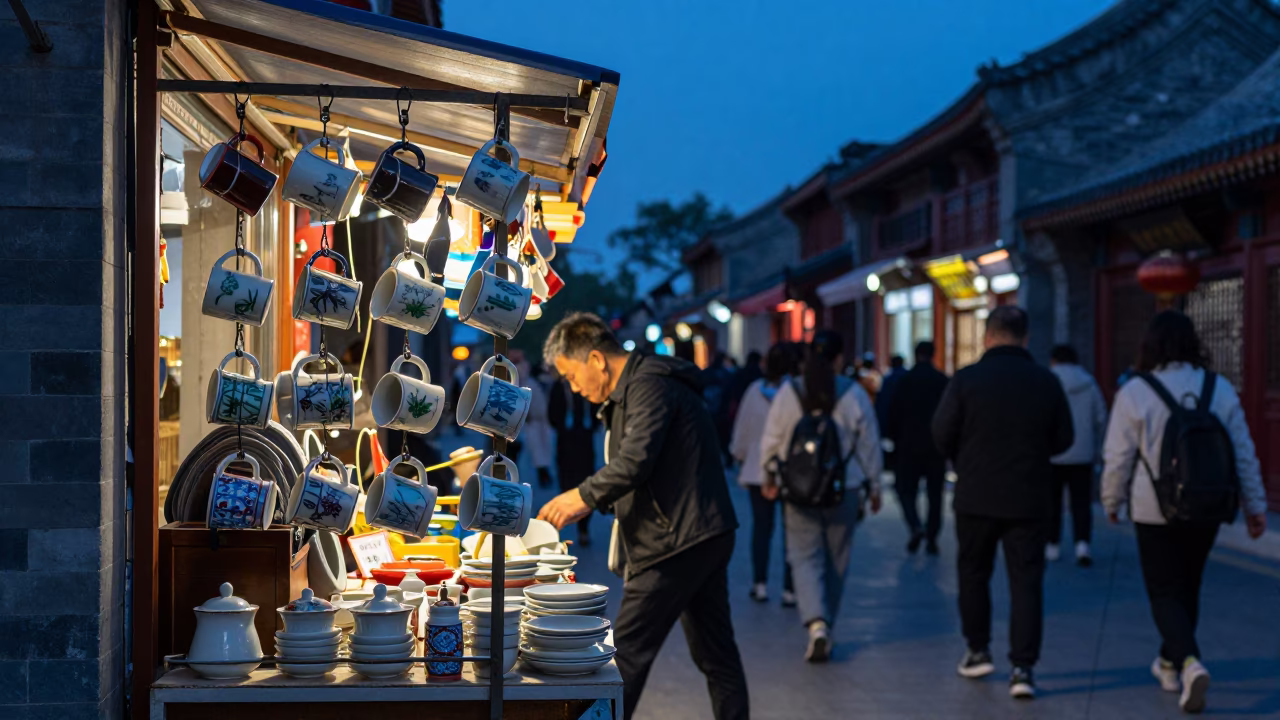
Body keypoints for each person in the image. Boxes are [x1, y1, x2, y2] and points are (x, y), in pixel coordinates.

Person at [536, 313, 748, 720]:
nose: (574, 388)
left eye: (571, 376)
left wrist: (580, 498)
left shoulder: (650, 385)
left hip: (675, 541)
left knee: (625, 659)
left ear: (596, 359)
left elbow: (635, 462)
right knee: (716, 656)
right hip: (697, 534)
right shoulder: (629, 391)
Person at [1100, 310, 1268, 714]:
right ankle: (1170, 663)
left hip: (1153, 508)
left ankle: (1189, 662)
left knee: (1162, 589)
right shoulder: (1220, 389)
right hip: (1208, 504)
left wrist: (1111, 500)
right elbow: (1243, 450)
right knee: (1187, 585)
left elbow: (1117, 457)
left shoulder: (1135, 392)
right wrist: (1255, 505)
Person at [932, 306, 1074, 700]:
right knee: (1026, 582)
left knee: (973, 572)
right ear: (1025, 338)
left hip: (975, 494)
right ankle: (1022, 667)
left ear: (987, 336)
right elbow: (1065, 439)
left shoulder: (966, 380)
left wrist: (966, 457)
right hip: (1029, 497)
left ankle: (977, 650)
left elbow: (941, 433)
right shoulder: (1045, 382)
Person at [760, 330, 883, 663]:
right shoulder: (854, 393)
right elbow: (869, 442)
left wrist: (768, 476)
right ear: (840, 358)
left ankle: (815, 623)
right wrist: (875, 486)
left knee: (803, 556)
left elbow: (773, 438)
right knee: (836, 559)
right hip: (845, 487)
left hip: (798, 489)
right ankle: (826, 621)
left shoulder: (791, 392)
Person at [729, 343, 795, 606]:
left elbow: (742, 430)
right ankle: (790, 589)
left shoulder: (754, 391)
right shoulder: (795, 392)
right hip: (790, 470)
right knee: (792, 533)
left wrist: (741, 456)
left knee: (761, 529)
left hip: (758, 470)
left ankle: (760, 584)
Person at [1047, 344, 1107, 566]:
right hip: (1083, 453)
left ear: (1054, 359)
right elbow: (1101, 417)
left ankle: (1052, 544)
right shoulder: (1089, 383)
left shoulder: (1048, 381)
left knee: (1052, 502)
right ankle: (1082, 545)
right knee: (1081, 502)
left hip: (1052, 454)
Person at [887, 341, 949, 555]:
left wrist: (893, 439)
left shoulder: (904, 381)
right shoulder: (941, 381)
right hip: (935, 446)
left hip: (908, 445)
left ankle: (915, 525)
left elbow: (891, 413)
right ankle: (932, 536)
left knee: (905, 490)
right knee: (935, 495)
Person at [547, 371, 600, 545]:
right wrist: (562, 427)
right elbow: (552, 413)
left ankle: (584, 527)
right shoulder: (559, 386)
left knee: (586, 480)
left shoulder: (587, 385)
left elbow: (597, 409)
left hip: (585, 440)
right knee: (567, 481)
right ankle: (570, 521)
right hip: (566, 440)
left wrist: (591, 427)